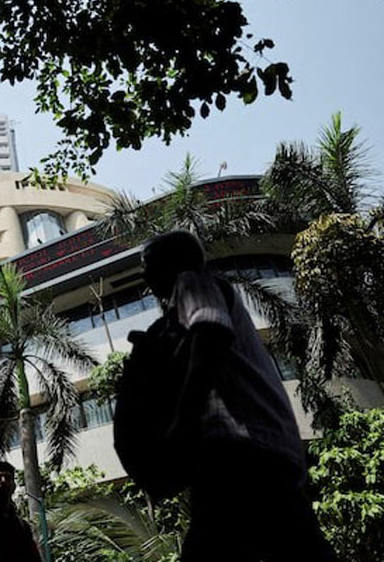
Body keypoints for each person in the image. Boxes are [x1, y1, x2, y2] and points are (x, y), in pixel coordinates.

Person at [140, 230, 336, 562]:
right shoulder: (217, 295)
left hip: (236, 450)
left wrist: (182, 423)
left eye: (147, 265)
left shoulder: (191, 283)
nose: (144, 276)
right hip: (269, 449)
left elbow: (208, 334)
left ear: (167, 265)